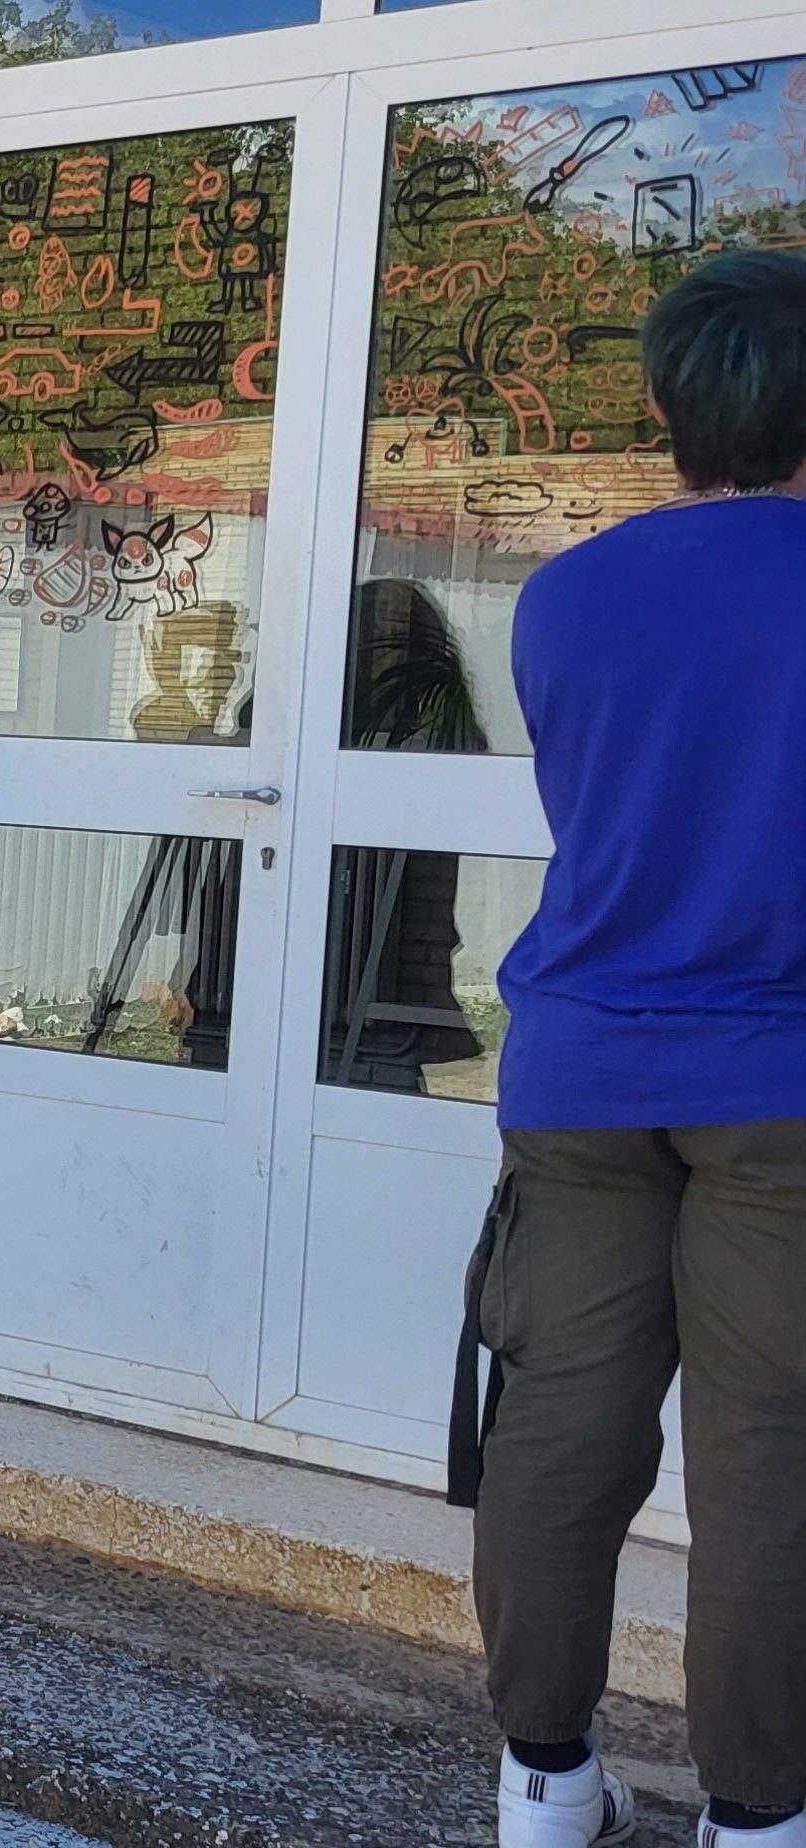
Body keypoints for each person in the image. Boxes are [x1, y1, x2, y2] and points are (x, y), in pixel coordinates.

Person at [465, 246, 806, 1848]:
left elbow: (601, 801)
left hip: (585, 1071)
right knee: (771, 1456)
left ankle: (542, 1786)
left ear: (670, 412)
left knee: (558, 1425)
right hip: (784, 1086)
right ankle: (759, 1817)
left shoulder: (569, 594)